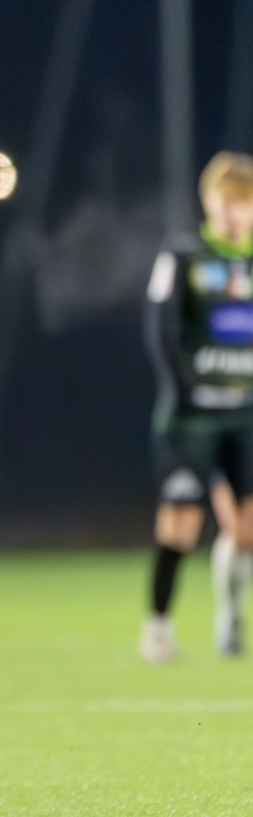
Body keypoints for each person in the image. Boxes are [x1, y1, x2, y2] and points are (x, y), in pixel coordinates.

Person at [141, 150, 253, 663]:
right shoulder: (183, 257)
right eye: (222, 202)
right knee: (181, 525)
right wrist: (185, 389)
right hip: (190, 418)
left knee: (245, 530)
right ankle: (158, 628)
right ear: (207, 202)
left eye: (242, 203)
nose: (232, 213)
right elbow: (161, 332)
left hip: (244, 415)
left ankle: (230, 614)